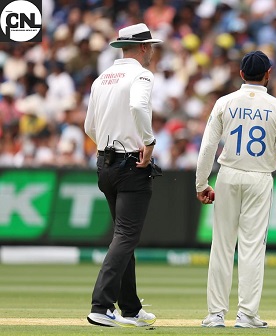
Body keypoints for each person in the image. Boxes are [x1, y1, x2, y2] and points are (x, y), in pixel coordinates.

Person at [196, 50, 276, 328]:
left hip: (227, 175)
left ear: (241, 74)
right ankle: (247, 315)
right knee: (252, 248)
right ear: (268, 75)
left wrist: (201, 184)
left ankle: (216, 314)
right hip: (260, 178)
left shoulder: (224, 102)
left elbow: (207, 148)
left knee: (222, 246)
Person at [84, 23, 162, 328]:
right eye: (151, 46)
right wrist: (149, 141)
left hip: (105, 163)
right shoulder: (142, 74)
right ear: (142, 48)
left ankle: (130, 308)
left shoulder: (102, 78)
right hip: (132, 165)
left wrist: (107, 146)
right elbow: (138, 104)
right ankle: (100, 305)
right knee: (126, 236)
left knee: (123, 237)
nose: (153, 51)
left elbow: (90, 126)